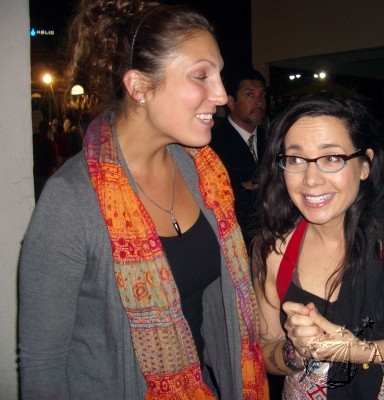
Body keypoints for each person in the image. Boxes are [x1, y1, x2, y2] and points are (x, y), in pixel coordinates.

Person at [18, 1, 268, 399]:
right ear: (139, 87)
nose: (222, 95)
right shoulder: (71, 200)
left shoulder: (202, 173)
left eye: (219, 76)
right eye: (201, 76)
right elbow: (42, 364)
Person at [251, 94, 384, 399]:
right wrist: (297, 350)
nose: (311, 179)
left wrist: (357, 351)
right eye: (295, 159)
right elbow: (265, 351)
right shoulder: (273, 251)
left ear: (364, 166)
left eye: (332, 158)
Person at [209, 68, 268, 250]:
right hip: (235, 243)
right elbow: (226, 199)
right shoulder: (212, 144)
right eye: (250, 95)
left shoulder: (273, 139)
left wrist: (250, 185)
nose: (259, 102)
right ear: (231, 102)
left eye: (262, 95)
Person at [32, 119, 59, 201]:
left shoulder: (34, 141)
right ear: (48, 131)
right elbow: (54, 162)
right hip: (46, 175)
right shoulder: (50, 144)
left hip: (35, 174)